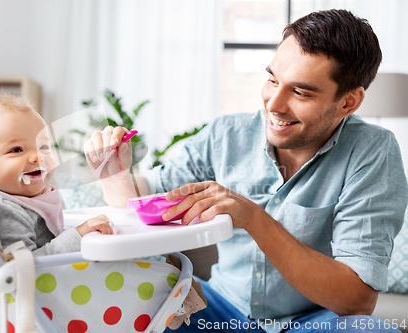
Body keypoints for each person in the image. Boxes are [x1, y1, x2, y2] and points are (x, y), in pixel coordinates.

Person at [85, 9, 408, 333]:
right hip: (217, 309)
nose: (274, 104)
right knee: (133, 289)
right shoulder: (226, 135)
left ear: (348, 102)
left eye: (300, 92)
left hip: (310, 322)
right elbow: (139, 200)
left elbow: (358, 300)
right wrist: (114, 172)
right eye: (272, 80)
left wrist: (254, 218)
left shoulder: (372, 151)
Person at [0, 93, 113, 256]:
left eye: (43, 146)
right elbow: (23, 266)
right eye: (17, 150)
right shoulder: (3, 211)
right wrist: (78, 235)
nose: (38, 156)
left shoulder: (36, 194)